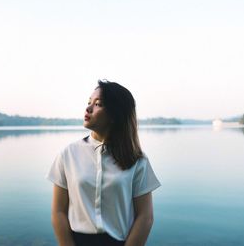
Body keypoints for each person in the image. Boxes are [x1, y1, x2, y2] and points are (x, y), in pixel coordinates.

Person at [46, 79, 161, 246]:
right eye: (88, 102)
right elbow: (58, 212)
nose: (88, 108)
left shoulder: (137, 160)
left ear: (115, 114)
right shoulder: (68, 154)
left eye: (98, 104)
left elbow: (145, 217)